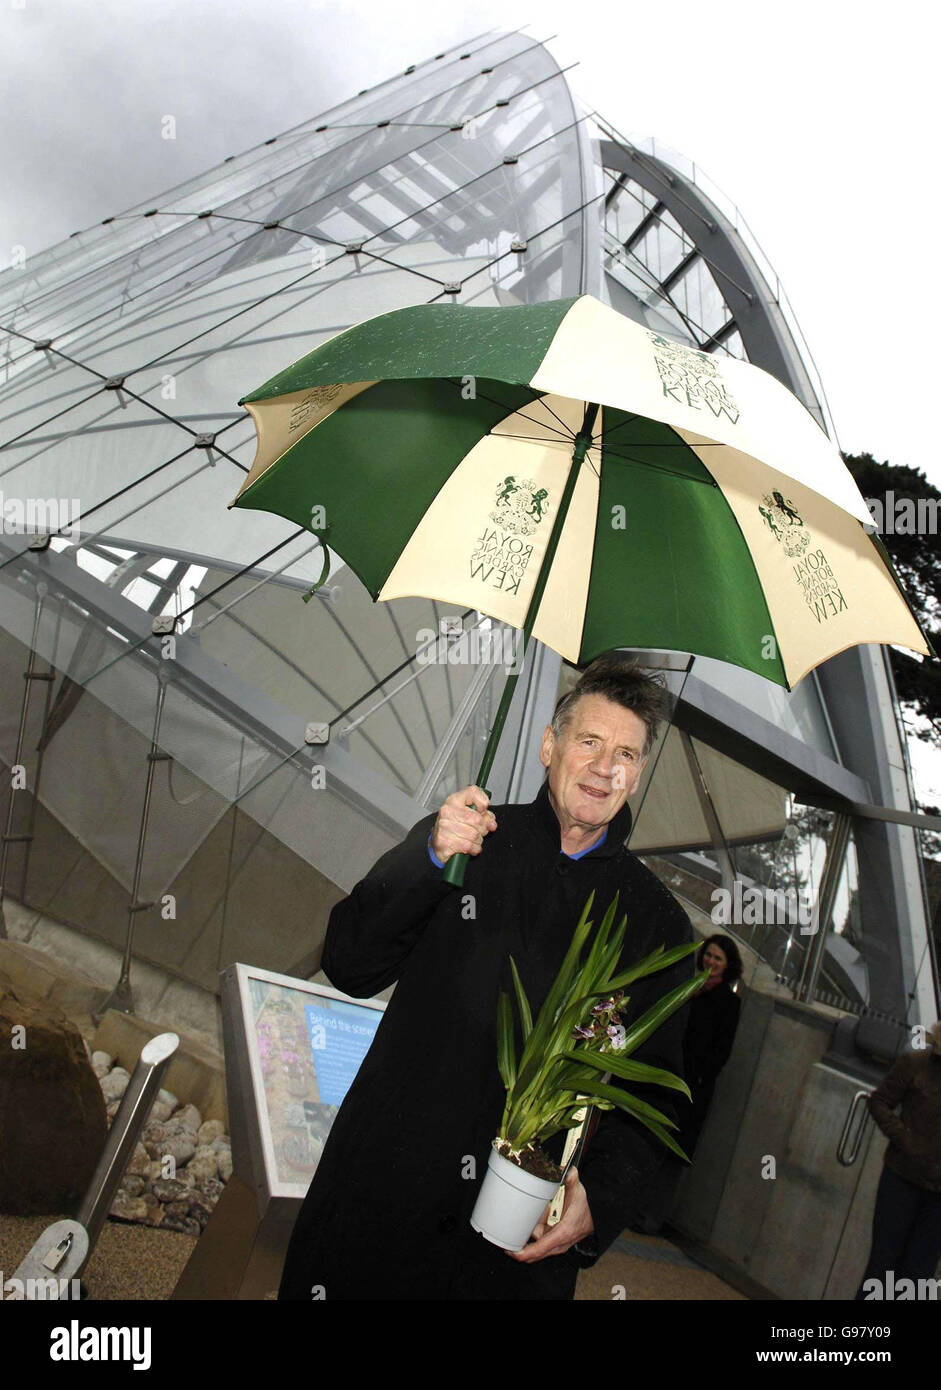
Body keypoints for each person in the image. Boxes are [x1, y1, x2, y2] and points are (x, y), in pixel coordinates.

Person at [277, 653, 695, 1300]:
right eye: (587, 742)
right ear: (548, 748)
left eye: (626, 754)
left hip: (510, 1248)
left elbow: (661, 1099)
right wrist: (428, 858)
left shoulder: (657, 926)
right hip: (379, 1200)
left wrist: (599, 1208)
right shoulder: (465, 837)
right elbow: (350, 963)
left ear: (636, 776)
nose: (603, 766)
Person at [855, 1019, 941, 1299]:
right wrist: (905, 1139)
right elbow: (879, 1101)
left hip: (937, 1194)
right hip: (902, 1177)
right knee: (882, 1268)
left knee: (916, 1280)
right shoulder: (915, 1063)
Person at [676, 934, 743, 1159]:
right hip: (672, 1073)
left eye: (718, 958)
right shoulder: (690, 988)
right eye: (708, 955)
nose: (711, 962)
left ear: (727, 965)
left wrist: (699, 1077)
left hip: (693, 1087)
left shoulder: (729, 1002)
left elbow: (722, 1050)